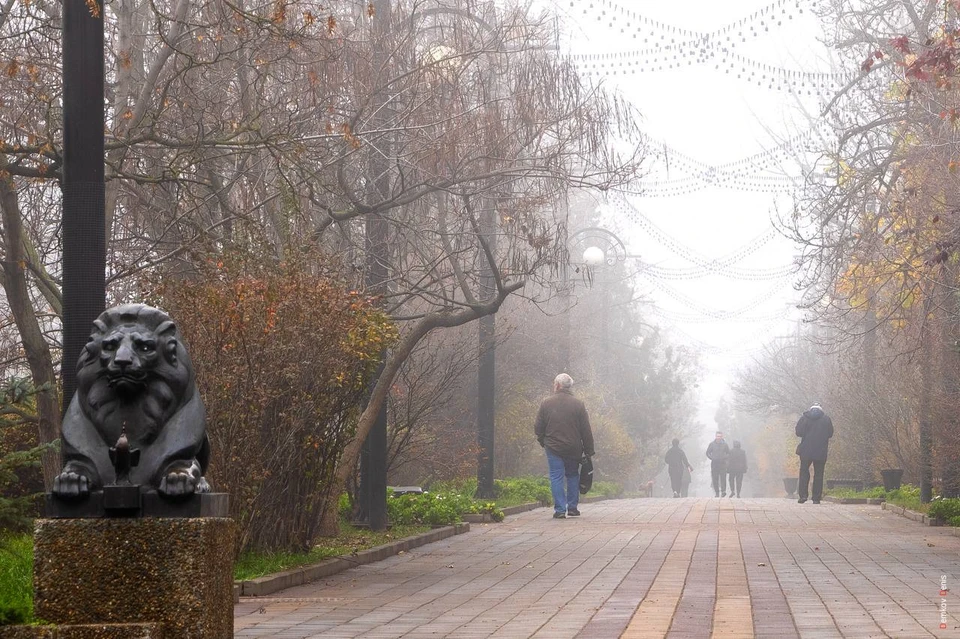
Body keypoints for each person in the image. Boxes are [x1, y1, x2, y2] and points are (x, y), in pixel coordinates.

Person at [534, 373, 595, 519]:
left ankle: (560, 510)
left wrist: (543, 441)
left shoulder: (546, 403)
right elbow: (585, 429)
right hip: (573, 447)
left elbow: (538, 426)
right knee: (572, 475)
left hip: (553, 447)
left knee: (556, 476)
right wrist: (589, 450)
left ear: (557, 385)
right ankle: (572, 508)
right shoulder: (578, 404)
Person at [796, 402, 834, 504]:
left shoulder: (804, 418)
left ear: (811, 409)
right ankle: (816, 498)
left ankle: (803, 496)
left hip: (806, 450)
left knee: (804, 472)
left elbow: (798, 432)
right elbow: (830, 434)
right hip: (820, 450)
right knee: (819, 474)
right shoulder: (826, 419)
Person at [706, 431, 730, 497]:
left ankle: (723, 491)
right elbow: (707, 453)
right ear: (715, 436)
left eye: (720, 436)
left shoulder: (725, 444)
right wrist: (712, 458)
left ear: (722, 437)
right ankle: (717, 492)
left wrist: (725, 457)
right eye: (717, 436)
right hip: (714, 464)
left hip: (722, 464)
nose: (719, 438)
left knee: (723, 478)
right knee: (715, 478)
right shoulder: (712, 444)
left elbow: (728, 453)